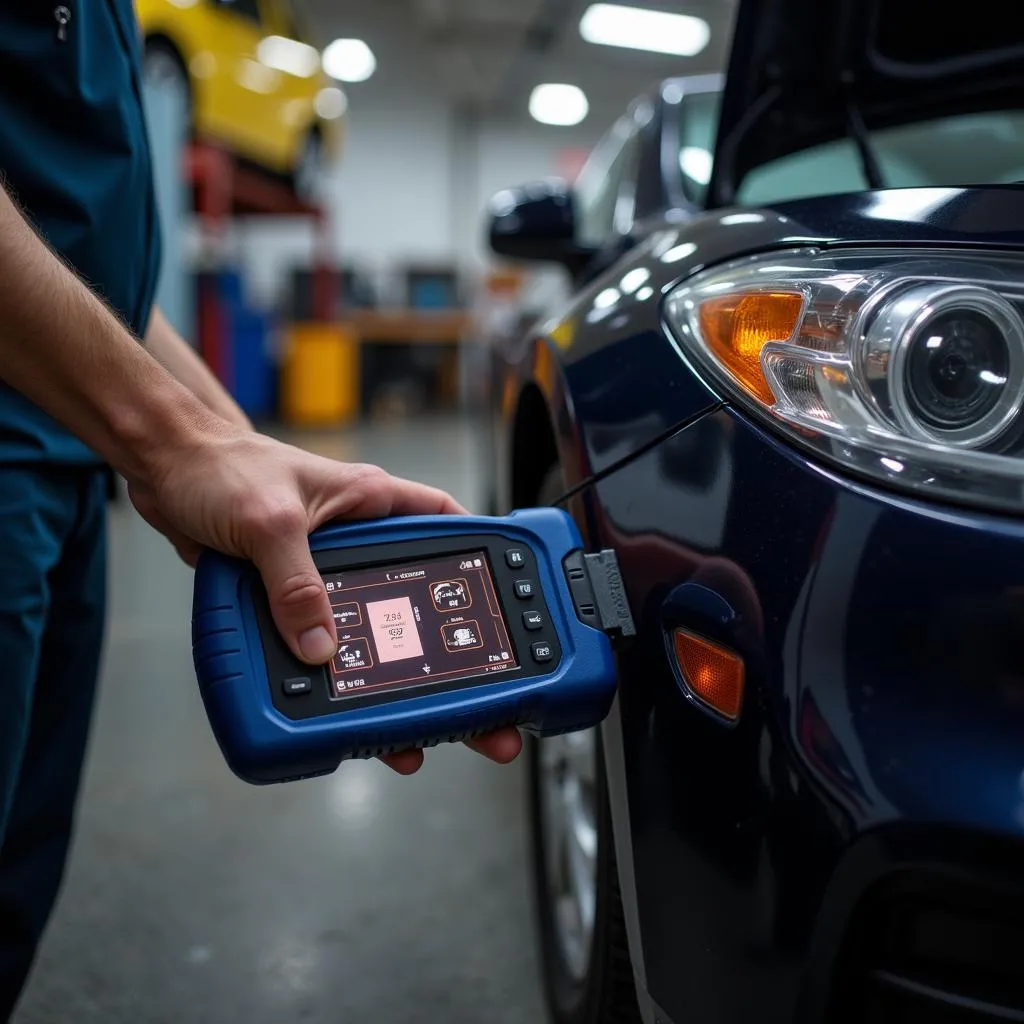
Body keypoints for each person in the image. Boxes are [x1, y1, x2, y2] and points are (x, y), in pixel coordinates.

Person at [0, 4, 520, 1016]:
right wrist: (170, 442)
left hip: (76, 457)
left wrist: (230, 440)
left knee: (16, 877)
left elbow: (87, 271)